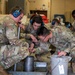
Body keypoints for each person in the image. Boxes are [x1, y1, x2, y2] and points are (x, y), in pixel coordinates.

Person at [0, 6, 29, 75]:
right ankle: (2, 66)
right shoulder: (10, 23)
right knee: (24, 50)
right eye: (20, 18)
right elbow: (13, 41)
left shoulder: (5, 19)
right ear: (15, 14)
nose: (20, 20)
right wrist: (26, 44)